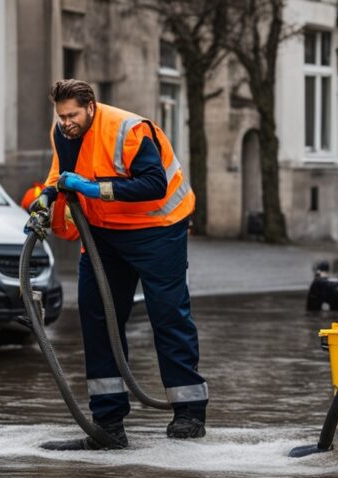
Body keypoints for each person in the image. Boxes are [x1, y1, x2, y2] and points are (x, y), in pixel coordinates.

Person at [27, 79, 208, 450]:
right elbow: (59, 173)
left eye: (72, 115)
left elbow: (155, 184)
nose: (65, 123)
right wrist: (46, 197)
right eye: (61, 116)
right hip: (104, 234)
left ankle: (189, 413)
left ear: (90, 106)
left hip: (158, 228)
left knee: (167, 313)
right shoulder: (62, 131)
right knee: (97, 317)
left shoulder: (129, 130)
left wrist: (96, 189)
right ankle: (108, 423)